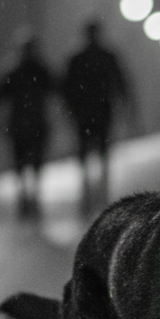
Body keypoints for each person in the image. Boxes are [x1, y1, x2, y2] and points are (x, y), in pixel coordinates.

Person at [62, 21, 133, 214]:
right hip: (102, 111)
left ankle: (87, 189)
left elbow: (66, 87)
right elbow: (121, 84)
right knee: (102, 150)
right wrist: (128, 108)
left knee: (85, 151)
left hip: (84, 113)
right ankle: (101, 189)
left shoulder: (76, 58)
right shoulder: (107, 56)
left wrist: (70, 110)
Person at [0, 32, 58, 217]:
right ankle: (31, 193)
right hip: (33, 122)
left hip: (21, 123)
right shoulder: (40, 69)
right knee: (33, 160)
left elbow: (0, 96)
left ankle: (25, 194)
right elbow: (54, 90)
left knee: (21, 161)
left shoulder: (13, 70)